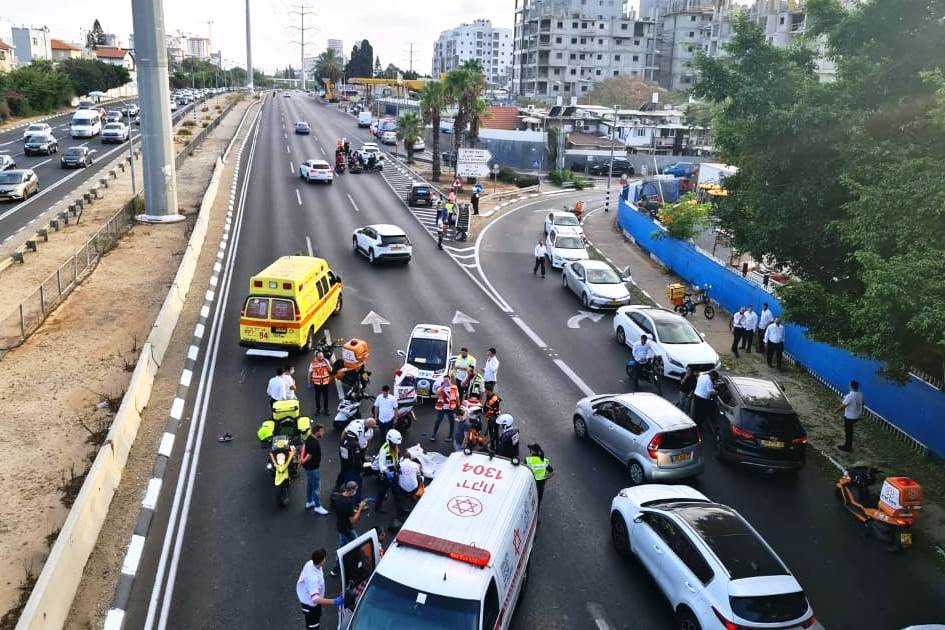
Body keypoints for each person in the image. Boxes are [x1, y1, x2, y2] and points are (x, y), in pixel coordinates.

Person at [296, 548, 343, 630]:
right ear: (322, 561)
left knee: (312, 623)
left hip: (308, 601)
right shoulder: (313, 579)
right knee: (313, 626)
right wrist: (334, 601)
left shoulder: (310, 563)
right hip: (310, 606)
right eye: (325, 558)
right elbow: (315, 599)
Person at [329, 481, 368, 576]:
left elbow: (345, 512)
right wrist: (360, 508)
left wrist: (353, 510)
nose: (356, 492)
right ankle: (358, 567)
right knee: (357, 546)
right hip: (348, 530)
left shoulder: (338, 497)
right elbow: (353, 520)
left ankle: (336, 568)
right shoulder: (348, 503)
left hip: (340, 527)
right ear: (351, 490)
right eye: (355, 490)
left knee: (342, 547)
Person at [301, 423, 329, 515]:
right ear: (317, 432)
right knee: (316, 488)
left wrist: (303, 462)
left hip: (309, 468)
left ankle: (309, 501)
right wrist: (304, 461)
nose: (323, 433)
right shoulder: (313, 443)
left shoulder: (309, 438)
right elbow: (309, 455)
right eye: (322, 431)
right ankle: (317, 506)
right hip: (313, 469)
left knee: (310, 484)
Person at [338, 420, 368, 503]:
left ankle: (348, 502)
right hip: (353, 469)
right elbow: (357, 460)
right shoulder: (355, 444)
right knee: (356, 486)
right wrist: (361, 469)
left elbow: (340, 454)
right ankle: (356, 503)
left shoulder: (343, 440)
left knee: (348, 485)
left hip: (345, 466)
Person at [372, 429, 401, 514]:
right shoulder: (384, 449)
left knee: (396, 493)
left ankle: (400, 510)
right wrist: (387, 472)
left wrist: (398, 466)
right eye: (395, 443)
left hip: (393, 472)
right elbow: (381, 465)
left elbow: (395, 458)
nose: (396, 445)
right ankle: (377, 508)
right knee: (382, 492)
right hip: (386, 474)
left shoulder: (394, 446)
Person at [393, 452, 423, 526]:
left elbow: (396, 474)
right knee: (419, 478)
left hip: (403, 487)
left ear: (403, 458)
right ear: (410, 458)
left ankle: (406, 496)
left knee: (399, 480)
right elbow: (418, 474)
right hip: (414, 487)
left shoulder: (399, 465)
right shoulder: (415, 464)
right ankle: (412, 495)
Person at [836, 380, 864, 452]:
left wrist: (836, 411)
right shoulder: (860, 394)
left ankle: (847, 447)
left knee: (848, 432)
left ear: (851, 386)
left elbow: (844, 405)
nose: (848, 386)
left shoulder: (850, 395)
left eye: (849, 385)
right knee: (849, 430)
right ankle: (848, 445)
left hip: (850, 417)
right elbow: (861, 403)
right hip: (857, 416)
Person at [431, 376, 458, 442]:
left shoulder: (454, 387)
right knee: (438, 421)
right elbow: (437, 394)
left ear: (450, 380)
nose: (446, 382)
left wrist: (458, 407)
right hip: (442, 407)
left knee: (451, 422)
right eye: (444, 380)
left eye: (447, 380)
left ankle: (450, 436)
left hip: (450, 408)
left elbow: (457, 397)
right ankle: (434, 435)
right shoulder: (441, 387)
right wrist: (442, 387)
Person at [308, 351, 333, 416]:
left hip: (325, 383)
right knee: (317, 397)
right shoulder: (313, 363)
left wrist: (327, 363)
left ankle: (326, 410)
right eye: (319, 357)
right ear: (316, 357)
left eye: (322, 356)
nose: (321, 358)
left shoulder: (326, 361)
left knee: (326, 397)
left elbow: (331, 370)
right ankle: (318, 410)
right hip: (317, 384)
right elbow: (309, 373)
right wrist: (309, 382)